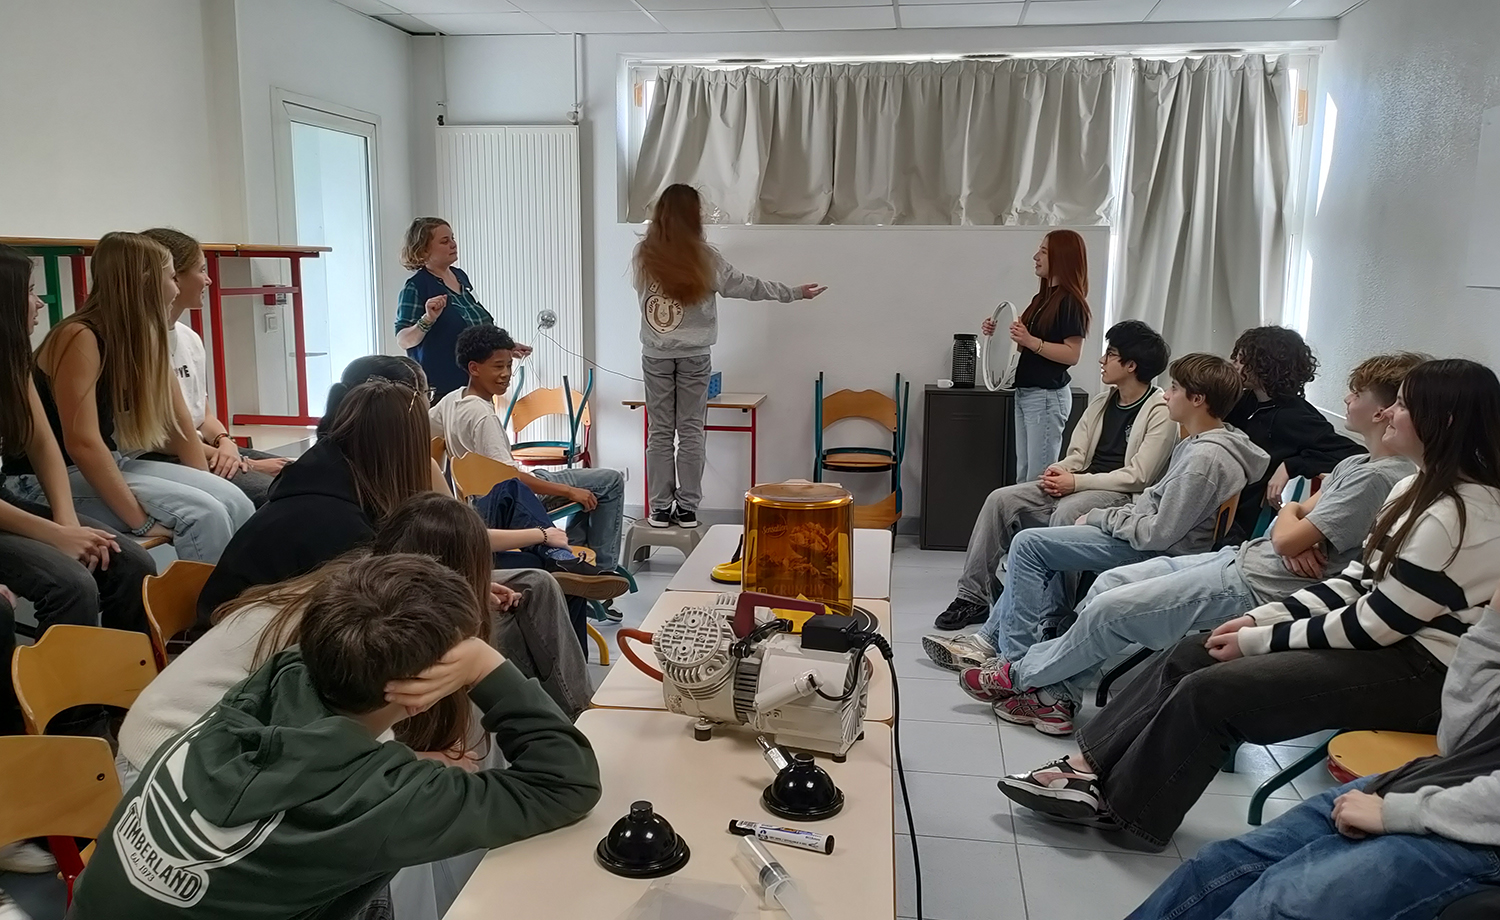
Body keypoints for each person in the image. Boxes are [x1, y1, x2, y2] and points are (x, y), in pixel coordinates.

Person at [998, 359, 1500, 850]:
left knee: (1210, 692)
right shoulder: (1412, 488)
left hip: (1422, 673)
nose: (1389, 413)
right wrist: (1259, 619)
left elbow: (1375, 625)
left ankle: (1127, 811)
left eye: (1404, 406)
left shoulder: (1460, 515)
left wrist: (1260, 639)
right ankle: (1088, 769)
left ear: (1445, 421)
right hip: (1380, 643)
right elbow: (1353, 583)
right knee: (1193, 652)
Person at [70, 554, 602, 920]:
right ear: (424, 686)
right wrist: (487, 665)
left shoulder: (272, 682)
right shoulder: (377, 799)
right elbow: (566, 785)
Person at [964, 353, 1424, 731]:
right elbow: (1303, 517)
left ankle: (1016, 672)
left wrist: (1293, 519)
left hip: (1255, 583)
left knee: (1093, 595)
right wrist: (1298, 521)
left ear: (1383, 411)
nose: (1346, 399)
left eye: (1358, 395)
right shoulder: (1356, 464)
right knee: (1101, 586)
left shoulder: (1377, 479)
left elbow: (1279, 535)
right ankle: (1054, 696)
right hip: (1241, 559)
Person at [120, 492, 592, 773]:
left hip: (195, 740)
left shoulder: (362, 584)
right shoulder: (353, 625)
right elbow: (325, 734)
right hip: (170, 762)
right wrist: (406, 765)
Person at [1126, 580, 1500, 920]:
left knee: (1276, 906)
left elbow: (1377, 617)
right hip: (1440, 781)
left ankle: (1121, 798)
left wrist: (1403, 812)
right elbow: (1465, 742)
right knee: (1217, 866)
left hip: (1471, 821)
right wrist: (1491, 631)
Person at [950, 354, 1267, 735]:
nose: (1167, 395)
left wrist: (1102, 518)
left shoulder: (1204, 458)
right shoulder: (1208, 442)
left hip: (1159, 550)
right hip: (1146, 534)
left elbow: (1159, 534)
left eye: (1176, 389)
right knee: (1032, 541)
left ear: (1198, 399)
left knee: (1030, 546)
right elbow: (1154, 507)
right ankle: (1023, 663)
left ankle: (1014, 665)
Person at [1, 232, 254, 562]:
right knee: (204, 515)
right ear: (148, 280)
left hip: (112, 462)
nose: (176, 287)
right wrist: (141, 521)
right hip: (46, 479)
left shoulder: (140, 334)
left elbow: (176, 426)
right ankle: (206, 612)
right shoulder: (80, 335)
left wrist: (214, 463)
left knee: (236, 501)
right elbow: (82, 444)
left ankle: (240, 602)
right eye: (171, 276)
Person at [931, 319, 1175, 630]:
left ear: (1131, 365)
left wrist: (1076, 482)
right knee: (1001, 500)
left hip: (1121, 496)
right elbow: (1077, 456)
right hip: (1080, 484)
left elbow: (1138, 477)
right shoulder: (1102, 402)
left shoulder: (1160, 411)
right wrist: (1060, 471)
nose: (1101, 360)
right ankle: (972, 598)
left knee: (1068, 511)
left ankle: (1054, 614)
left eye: (1110, 354)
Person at [633, 183, 825, 528]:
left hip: (656, 355)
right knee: (691, 430)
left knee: (660, 432)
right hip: (694, 356)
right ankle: (688, 509)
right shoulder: (706, 257)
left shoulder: (644, 254)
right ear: (695, 216)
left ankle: (660, 509)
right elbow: (745, 285)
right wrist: (793, 293)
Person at [0, 244, 155, 637]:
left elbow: (42, 443)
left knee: (130, 562)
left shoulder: (12, 360)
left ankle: (122, 683)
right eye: (30, 292)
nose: (39, 303)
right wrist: (55, 535)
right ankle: (67, 698)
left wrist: (66, 520)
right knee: (71, 584)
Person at [434, 324, 626, 571]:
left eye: (508, 366)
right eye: (497, 366)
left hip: (477, 499)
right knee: (609, 481)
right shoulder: (483, 417)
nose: (506, 374)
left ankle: (575, 561)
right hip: (514, 500)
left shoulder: (452, 400)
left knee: (589, 488)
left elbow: (424, 428)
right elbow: (510, 481)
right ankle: (604, 570)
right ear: (474, 368)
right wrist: (568, 491)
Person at [136, 228, 288, 507]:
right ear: (174, 277)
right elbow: (162, 438)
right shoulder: (139, 344)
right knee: (276, 495)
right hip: (163, 456)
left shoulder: (189, 337)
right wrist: (247, 464)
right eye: (201, 270)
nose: (208, 280)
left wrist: (226, 441)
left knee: (303, 474)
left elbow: (202, 412)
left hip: (207, 448)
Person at [1225, 325, 1364, 539]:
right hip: (1223, 501)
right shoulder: (1245, 401)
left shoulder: (1295, 416)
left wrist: (1291, 465)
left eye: (1242, 360)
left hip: (1238, 524)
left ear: (1265, 365)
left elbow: (1356, 455)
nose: (1234, 364)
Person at [985, 230, 1092, 482]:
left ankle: (1037, 523)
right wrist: (999, 332)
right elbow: (1022, 343)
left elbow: (1072, 354)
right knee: (1024, 475)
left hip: (1046, 397)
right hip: (1028, 393)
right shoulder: (1041, 299)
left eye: (1043, 251)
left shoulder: (1070, 302)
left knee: (1038, 478)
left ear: (1061, 257)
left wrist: (1030, 341)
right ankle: (1024, 523)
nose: (1036, 257)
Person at [394, 217, 532, 399]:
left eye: (453, 238)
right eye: (445, 241)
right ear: (423, 250)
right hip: (442, 390)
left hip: (475, 384)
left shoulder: (460, 277)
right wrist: (427, 320)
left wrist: (505, 347)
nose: (453, 244)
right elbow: (403, 340)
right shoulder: (417, 286)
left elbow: (474, 328)